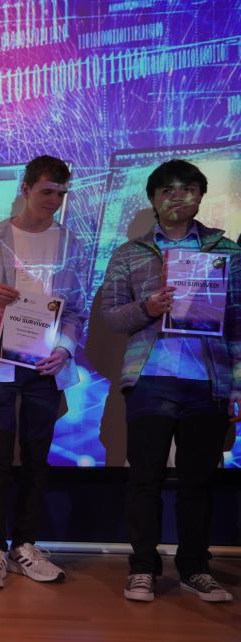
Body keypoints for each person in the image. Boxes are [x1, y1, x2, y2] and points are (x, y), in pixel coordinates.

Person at [100, 159, 239, 603]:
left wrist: (237, 385)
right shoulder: (129, 254)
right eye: (167, 190)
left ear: (200, 195)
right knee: (145, 479)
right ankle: (143, 567)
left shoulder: (227, 251)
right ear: (153, 199)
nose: (177, 196)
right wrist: (148, 308)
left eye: (187, 188)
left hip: (207, 381)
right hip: (150, 378)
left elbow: (238, 322)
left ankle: (195, 568)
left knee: (199, 482)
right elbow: (110, 317)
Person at [0, 155, 86, 589]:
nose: (54, 201)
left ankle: (25, 545)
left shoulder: (70, 242)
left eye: (61, 194)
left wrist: (64, 350)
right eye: (46, 191)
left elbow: (77, 309)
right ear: (25, 189)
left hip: (44, 366)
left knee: (35, 457)